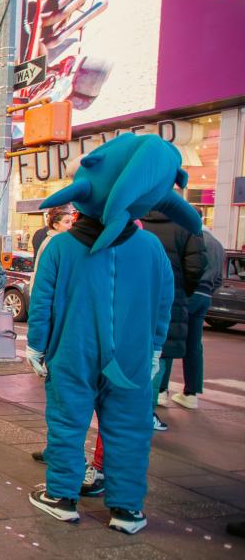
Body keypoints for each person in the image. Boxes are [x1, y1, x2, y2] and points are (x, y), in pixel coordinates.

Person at [26, 133, 201, 534]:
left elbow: (43, 302)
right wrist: (156, 346)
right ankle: (126, 509)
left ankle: (63, 497)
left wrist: (37, 345)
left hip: (72, 350)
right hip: (134, 355)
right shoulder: (151, 249)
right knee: (128, 429)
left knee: (67, 422)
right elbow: (164, 303)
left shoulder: (59, 247)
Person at [141, 208, 204, 429]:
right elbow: (196, 267)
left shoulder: (138, 221)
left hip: (139, 298)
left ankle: (130, 409)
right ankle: (148, 410)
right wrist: (183, 291)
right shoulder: (186, 227)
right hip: (172, 298)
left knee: (133, 354)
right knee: (162, 354)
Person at [169, 228, 224, 409]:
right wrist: (208, 291)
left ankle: (161, 390)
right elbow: (219, 278)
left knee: (170, 337)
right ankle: (191, 392)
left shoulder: (191, 237)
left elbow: (190, 268)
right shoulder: (217, 244)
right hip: (205, 296)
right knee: (194, 345)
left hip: (189, 292)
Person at [29, 207, 74, 293]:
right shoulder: (55, 243)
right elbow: (47, 275)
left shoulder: (57, 240)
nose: (71, 225)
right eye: (67, 222)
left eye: (72, 221)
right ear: (55, 225)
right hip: (48, 293)